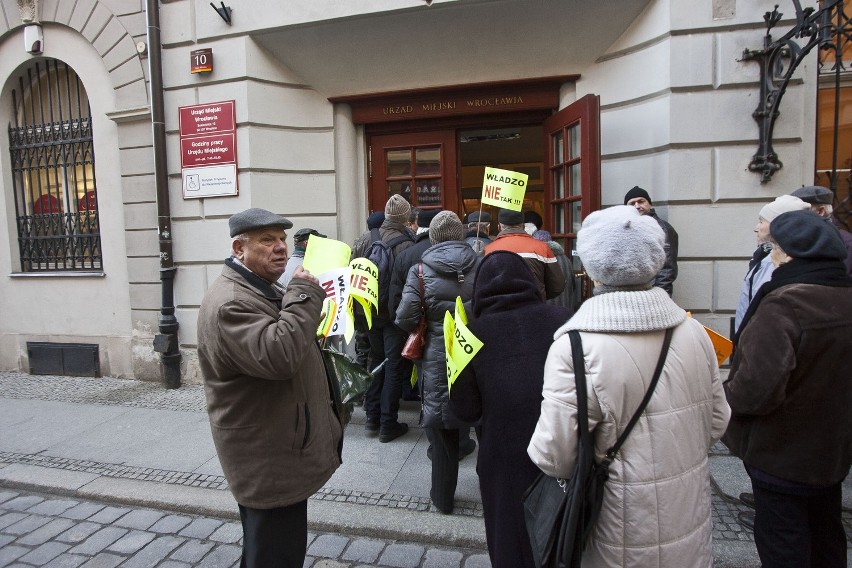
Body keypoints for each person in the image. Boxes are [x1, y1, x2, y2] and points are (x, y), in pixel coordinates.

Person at [528, 205, 730, 568]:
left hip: (617, 526)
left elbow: (553, 455)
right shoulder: (696, 332)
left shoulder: (575, 347)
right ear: (655, 260)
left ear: (589, 268)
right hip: (689, 516)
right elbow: (717, 423)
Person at [196, 208, 343, 568]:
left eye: (282, 239)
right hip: (267, 457)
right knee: (276, 555)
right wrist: (306, 294)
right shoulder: (232, 302)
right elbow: (279, 355)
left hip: (279, 445)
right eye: (267, 240)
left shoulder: (259, 285)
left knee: (271, 550)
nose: (280, 248)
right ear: (239, 248)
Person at [724, 210, 852, 568]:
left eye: (774, 250)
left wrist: (723, 398)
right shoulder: (843, 295)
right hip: (831, 452)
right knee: (826, 535)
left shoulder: (784, 303)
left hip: (782, 452)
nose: (771, 258)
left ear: (790, 254)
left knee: (784, 543)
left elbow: (755, 389)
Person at [450, 251, 572, 568]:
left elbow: (464, 410)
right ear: (530, 282)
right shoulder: (563, 320)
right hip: (564, 448)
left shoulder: (469, 336)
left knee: (513, 546)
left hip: (504, 461)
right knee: (568, 536)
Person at [395, 211, 479, 514]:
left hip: (437, 356)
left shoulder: (420, 270)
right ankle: (491, 491)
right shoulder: (481, 262)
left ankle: (443, 498)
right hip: (476, 353)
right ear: (460, 234)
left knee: (442, 426)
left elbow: (404, 317)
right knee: (482, 420)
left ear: (433, 238)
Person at [350, 195, 415, 441]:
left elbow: (352, 274)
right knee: (394, 367)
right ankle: (389, 424)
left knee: (375, 362)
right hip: (394, 316)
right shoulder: (408, 243)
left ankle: (371, 419)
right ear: (406, 217)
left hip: (368, 313)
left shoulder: (364, 240)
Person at [734, 195, 808, 332]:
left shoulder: (775, 262)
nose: (756, 228)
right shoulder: (763, 255)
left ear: (777, 226)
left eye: (761, 221)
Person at [389, 208, 441, 402]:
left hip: (417, 326)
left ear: (418, 223)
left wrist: (404, 327)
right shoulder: (460, 254)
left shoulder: (407, 254)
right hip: (451, 328)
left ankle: (425, 408)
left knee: (423, 372)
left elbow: (395, 296)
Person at [485, 208, 565, 300]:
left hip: (501, 309)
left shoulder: (489, 250)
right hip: (534, 307)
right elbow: (558, 285)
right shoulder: (542, 248)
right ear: (523, 226)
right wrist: (540, 296)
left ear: (499, 227)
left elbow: (484, 286)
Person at [624, 186, 679, 296]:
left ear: (650, 204)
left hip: (651, 295)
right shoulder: (625, 228)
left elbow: (667, 270)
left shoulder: (662, 228)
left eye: (641, 201)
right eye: (632, 203)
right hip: (630, 294)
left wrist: (660, 298)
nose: (637, 206)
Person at [352, 212, 385, 368]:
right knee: (375, 350)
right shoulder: (379, 241)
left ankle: (361, 383)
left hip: (359, 302)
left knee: (362, 347)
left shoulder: (359, 241)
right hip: (374, 305)